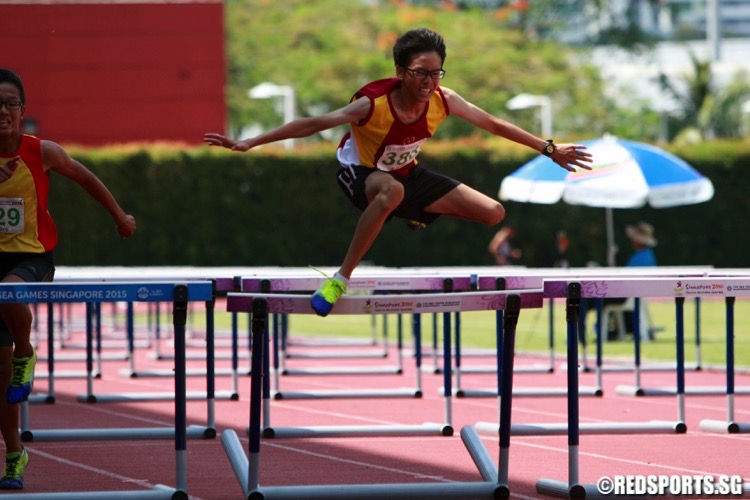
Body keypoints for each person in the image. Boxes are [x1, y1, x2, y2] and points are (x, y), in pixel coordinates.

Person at [204, 28, 592, 316]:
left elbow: (492, 124)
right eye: (421, 73)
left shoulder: (445, 99)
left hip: (407, 174)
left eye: (437, 73)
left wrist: (548, 148)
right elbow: (312, 123)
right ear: (401, 71)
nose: (429, 83)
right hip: (360, 175)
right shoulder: (371, 105)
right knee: (391, 193)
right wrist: (250, 142)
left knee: (493, 212)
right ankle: (340, 278)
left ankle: (412, 214)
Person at [0, 68, 137, 489]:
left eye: (9, 103)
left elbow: (86, 178)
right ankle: (15, 454)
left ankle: (25, 348)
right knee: (2, 384)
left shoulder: (42, 152)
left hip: (33, 257)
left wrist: (120, 217)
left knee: (7, 294)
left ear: (22, 111)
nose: (1, 111)